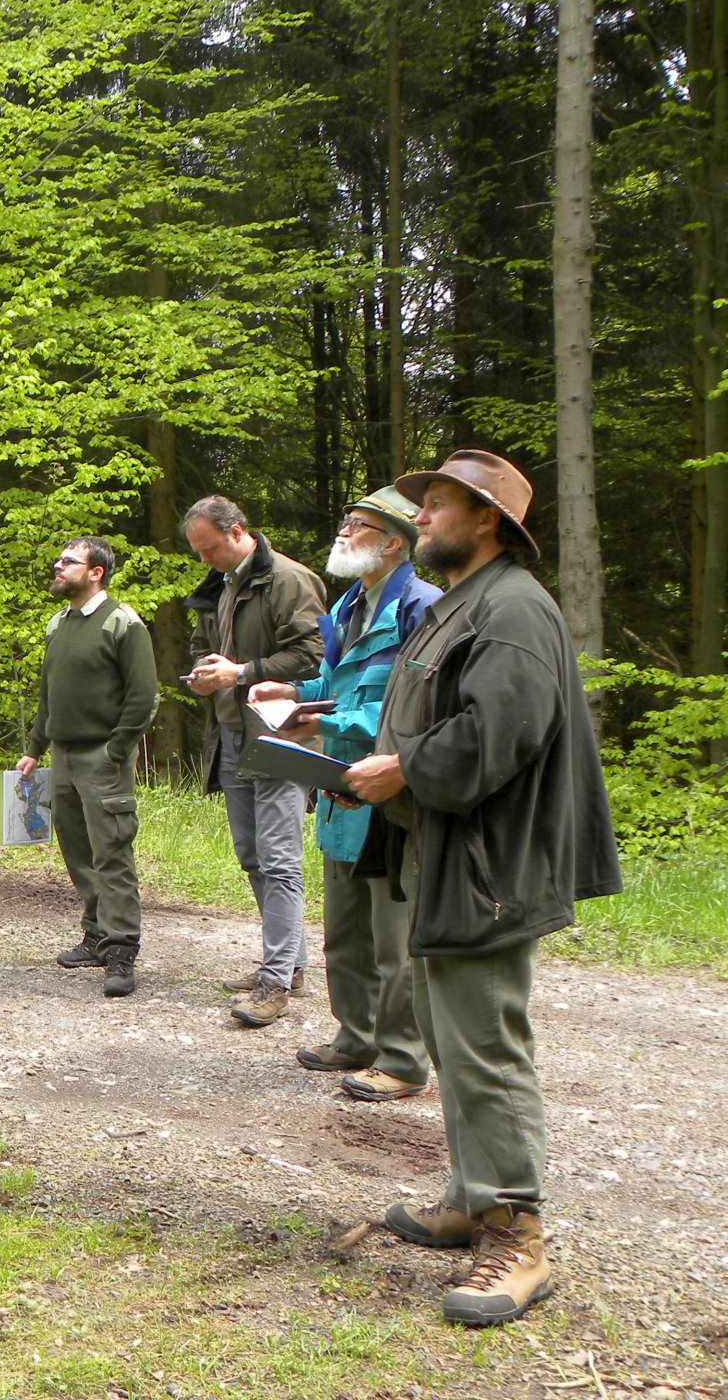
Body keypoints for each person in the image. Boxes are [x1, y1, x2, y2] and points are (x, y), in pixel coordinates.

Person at [344, 450, 621, 1327]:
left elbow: (501, 735)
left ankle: (517, 1235)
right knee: (449, 1036)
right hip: (443, 853)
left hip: (489, 864)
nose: (419, 517)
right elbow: (429, 716)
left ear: (486, 518)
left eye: (436, 504)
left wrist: (402, 769)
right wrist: (369, 770)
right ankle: (473, 1197)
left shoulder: (513, 609)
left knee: (487, 1046)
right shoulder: (460, 604)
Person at [248, 488, 439, 1098]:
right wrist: (291, 693)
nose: (343, 532)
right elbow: (333, 682)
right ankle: (355, 1037)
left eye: (358, 525)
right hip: (339, 790)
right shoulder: (349, 605)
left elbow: (417, 709)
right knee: (345, 931)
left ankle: (402, 1058)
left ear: (394, 543)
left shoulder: (423, 608)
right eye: (345, 521)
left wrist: (325, 720)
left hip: (391, 794)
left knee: (393, 937)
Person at [183, 496, 328, 1026]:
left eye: (209, 548)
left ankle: (275, 981)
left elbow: (313, 657)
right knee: (251, 854)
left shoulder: (290, 579)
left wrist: (241, 673)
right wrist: (205, 674)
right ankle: (290, 963)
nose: (204, 559)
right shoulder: (218, 585)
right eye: (198, 552)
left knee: (279, 859)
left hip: (282, 734)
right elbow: (204, 646)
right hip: (231, 735)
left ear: (237, 531)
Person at [16, 536, 159, 996]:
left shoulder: (122, 622)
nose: (58, 567)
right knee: (77, 849)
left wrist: (116, 751)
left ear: (96, 572)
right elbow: (48, 693)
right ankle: (96, 934)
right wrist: (35, 747)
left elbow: (143, 697)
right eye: (59, 560)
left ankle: (121, 949)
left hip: (104, 757)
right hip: (62, 755)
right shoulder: (58, 624)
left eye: (69, 561)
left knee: (111, 851)